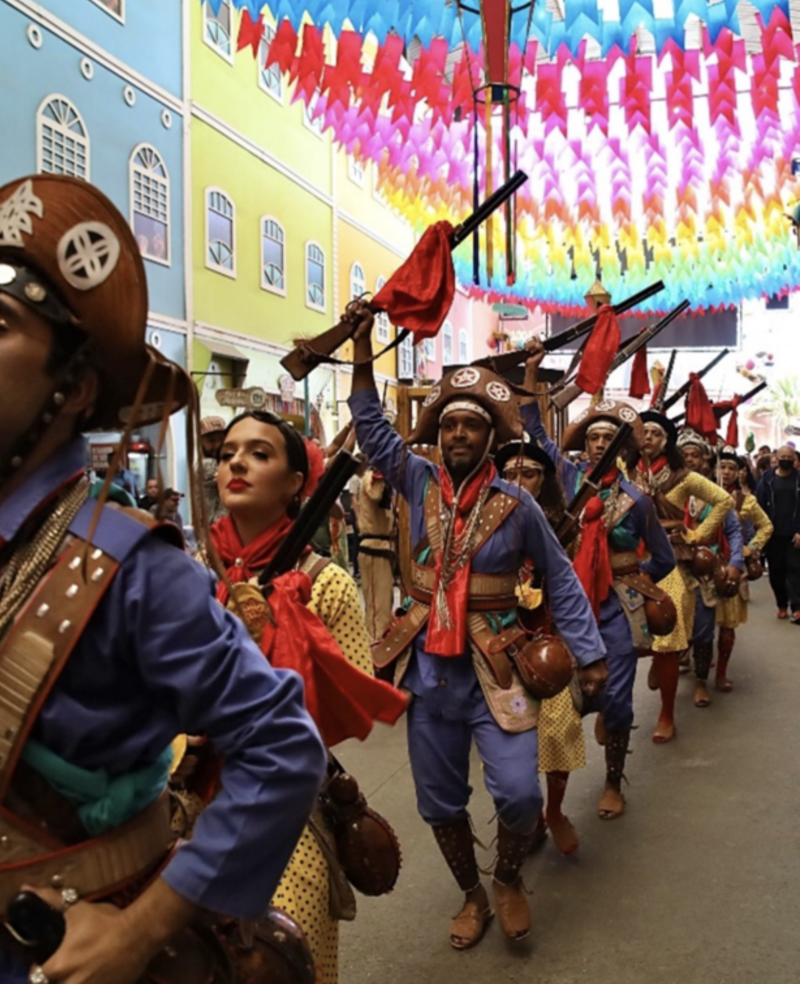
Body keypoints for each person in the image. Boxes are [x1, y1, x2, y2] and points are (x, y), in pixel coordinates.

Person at [0, 175, 326, 984]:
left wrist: (143, 930)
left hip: (74, 950)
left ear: (71, 389)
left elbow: (284, 748)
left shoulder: (141, 574)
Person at [344, 302, 608, 948]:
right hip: (430, 674)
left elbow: (564, 580)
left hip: (498, 668)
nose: (460, 434)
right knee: (438, 801)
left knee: (519, 795)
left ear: (491, 438)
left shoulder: (517, 503)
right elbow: (373, 427)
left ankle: (508, 874)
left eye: (472, 426)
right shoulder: (414, 478)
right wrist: (359, 350)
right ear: (438, 435)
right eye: (451, 425)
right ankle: (471, 894)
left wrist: (591, 653)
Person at [207, 409, 406, 984]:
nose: (237, 463)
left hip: (284, 803)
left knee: (283, 957)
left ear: (297, 484)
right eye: (227, 454)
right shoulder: (187, 570)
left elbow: (340, 708)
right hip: (185, 799)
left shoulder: (325, 581)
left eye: (259, 453)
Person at [519, 354, 675, 820]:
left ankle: (612, 782)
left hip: (618, 612)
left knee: (619, 705)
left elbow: (664, 558)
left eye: (609, 437)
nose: (600, 443)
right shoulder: (567, 480)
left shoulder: (638, 500)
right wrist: (530, 374)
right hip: (568, 608)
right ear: (584, 446)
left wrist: (631, 577)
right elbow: (538, 434)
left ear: (623, 447)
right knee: (556, 711)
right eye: (593, 437)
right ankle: (552, 810)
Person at [493, 440, 584, 856]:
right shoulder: (483, 522)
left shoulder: (562, 525)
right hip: (497, 645)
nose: (517, 482)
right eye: (509, 474)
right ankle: (520, 819)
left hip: (549, 641)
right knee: (507, 745)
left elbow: (568, 586)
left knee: (559, 730)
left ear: (543, 480)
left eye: (527, 474)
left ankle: (556, 811)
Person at [629, 410, 733, 743]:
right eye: (642, 432)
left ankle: (666, 713)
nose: (648, 438)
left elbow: (724, 500)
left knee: (670, 635)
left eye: (656, 433)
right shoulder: (624, 472)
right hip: (629, 559)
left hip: (670, 558)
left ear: (666, 440)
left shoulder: (683, 476)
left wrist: (697, 535)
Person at [677, 431, 744, 708]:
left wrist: (736, 563)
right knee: (672, 626)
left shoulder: (717, 495)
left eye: (695, 455)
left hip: (707, 570)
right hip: (676, 566)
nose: (690, 460)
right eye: (684, 456)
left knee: (704, 629)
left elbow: (734, 531)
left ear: (705, 460)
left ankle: (701, 682)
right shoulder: (669, 490)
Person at [716, 449, 772, 692]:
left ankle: (720, 673)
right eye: (722, 467)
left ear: (740, 472)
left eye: (731, 468)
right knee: (699, 625)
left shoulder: (746, 501)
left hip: (733, 568)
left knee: (728, 625)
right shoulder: (702, 494)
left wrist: (750, 549)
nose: (726, 472)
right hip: (703, 567)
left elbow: (766, 526)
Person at [755, 445, 800, 621]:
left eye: (790, 457)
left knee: (795, 570)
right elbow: (758, 506)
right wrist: (761, 532)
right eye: (783, 456)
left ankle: (797, 607)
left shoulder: (798, 480)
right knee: (776, 572)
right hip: (773, 534)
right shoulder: (766, 480)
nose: (786, 460)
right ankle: (781, 604)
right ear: (777, 457)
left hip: (794, 535)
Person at [353, 463, 396, 642]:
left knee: (384, 605)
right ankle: (374, 653)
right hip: (373, 546)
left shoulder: (381, 479)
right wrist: (385, 474)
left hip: (383, 546)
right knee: (376, 609)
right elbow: (375, 493)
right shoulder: (372, 477)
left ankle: (380, 648)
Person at [199, 415, 227, 525]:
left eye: (221, 439)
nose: (218, 445)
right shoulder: (207, 465)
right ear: (201, 442)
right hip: (214, 527)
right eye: (211, 441)